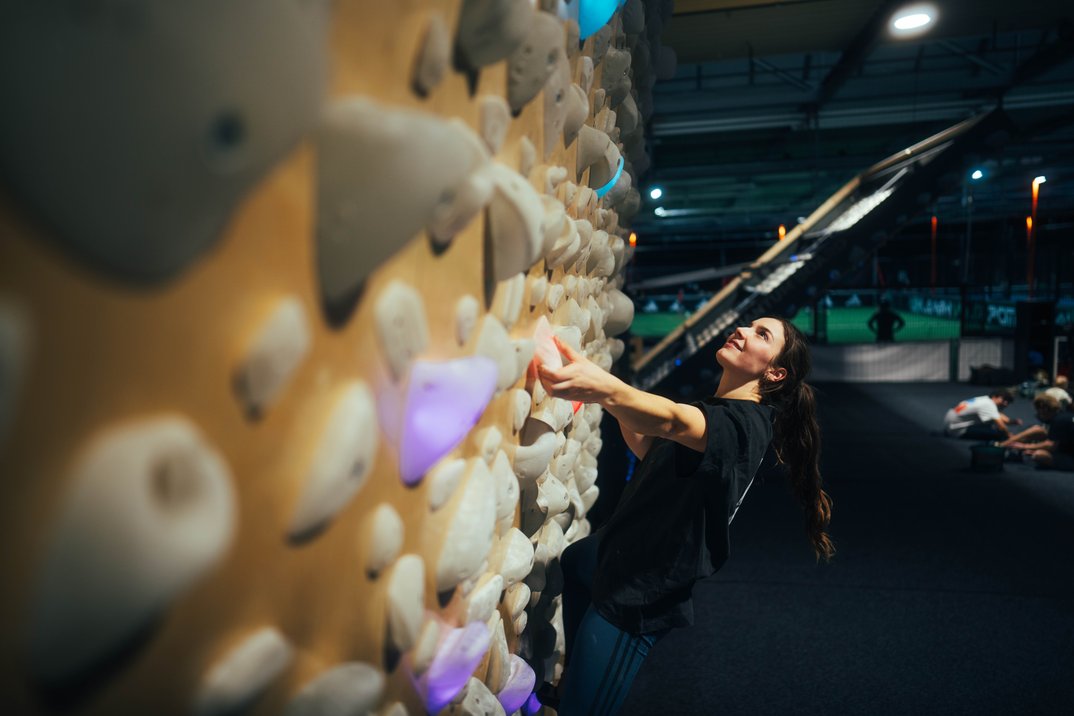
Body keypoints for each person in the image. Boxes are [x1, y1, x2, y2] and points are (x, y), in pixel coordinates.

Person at [536, 317, 833, 716]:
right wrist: (608, 396)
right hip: (616, 558)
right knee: (578, 561)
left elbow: (668, 420)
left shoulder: (743, 426)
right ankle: (574, 678)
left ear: (775, 372)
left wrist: (607, 387)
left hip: (638, 594)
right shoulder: (717, 410)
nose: (743, 330)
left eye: (762, 335)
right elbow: (650, 447)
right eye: (749, 325)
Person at [999, 393, 1074, 471]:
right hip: (1065, 449)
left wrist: (1024, 446)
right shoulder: (1064, 415)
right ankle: (1003, 446)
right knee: (1037, 430)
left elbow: (1051, 445)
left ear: (1044, 409)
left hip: (1070, 457)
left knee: (1039, 455)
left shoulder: (1059, 420)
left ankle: (1010, 450)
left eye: (1038, 410)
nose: (1038, 415)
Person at [942, 388, 1020, 440]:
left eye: (1008, 402)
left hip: (949, 424)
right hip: (956, 430)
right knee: (998, 433)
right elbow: (1001, 425)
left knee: (990, 423)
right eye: (1004, 400)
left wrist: (1012, 421)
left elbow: (999, 415)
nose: (1006, 404)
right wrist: (1010, 436)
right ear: (994, 397)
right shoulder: (989, 405)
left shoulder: (985, 399)